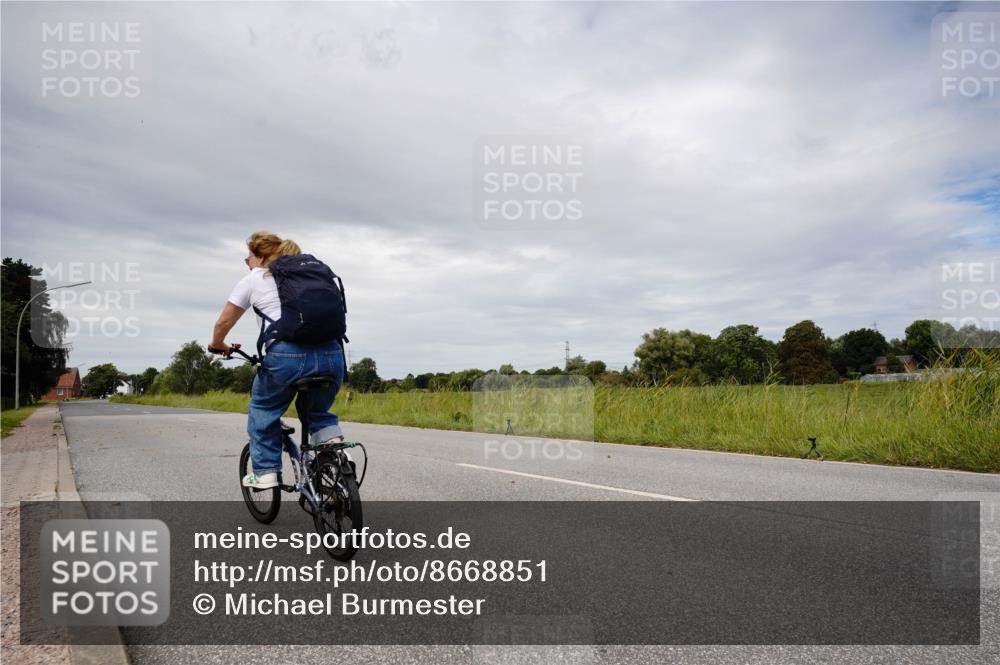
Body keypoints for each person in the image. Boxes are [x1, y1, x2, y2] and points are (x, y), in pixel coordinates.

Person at [209, 231, 346, 489]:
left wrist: (217, 345)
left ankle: (266, 472)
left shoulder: (254, 278)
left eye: (247, 258)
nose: (247, 263)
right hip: (332, 354)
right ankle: (333, 450)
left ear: (260, 257)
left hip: (286, 356)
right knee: (317, 412)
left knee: (264, 410)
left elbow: (223, 322)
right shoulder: (314, 275)